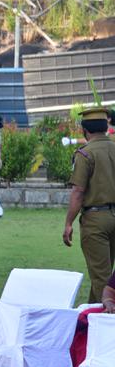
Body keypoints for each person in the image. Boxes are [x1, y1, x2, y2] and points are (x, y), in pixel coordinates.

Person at [63, 106, 115, 303]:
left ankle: (106, 318)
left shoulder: (85, 154)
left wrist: (68, 223)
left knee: (102, 279)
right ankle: (90, 315)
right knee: (103, 275)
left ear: (84, 130)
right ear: (105, 127)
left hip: (95, 219)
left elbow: (78, 192)